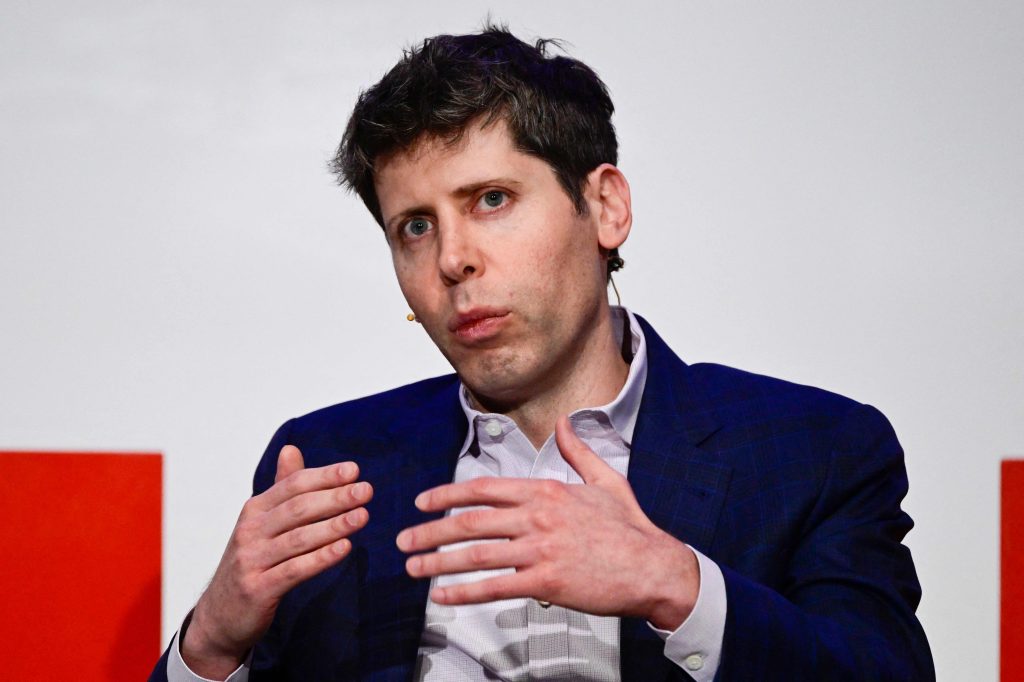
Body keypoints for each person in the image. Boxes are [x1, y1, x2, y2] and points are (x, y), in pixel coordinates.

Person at [150, 25, 934, 681]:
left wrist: (679, 586)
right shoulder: (330, 465)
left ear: (605, 207)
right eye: (415, 227)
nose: (452, 259)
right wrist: (210, 645)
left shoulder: (813, 450)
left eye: (491, 200)